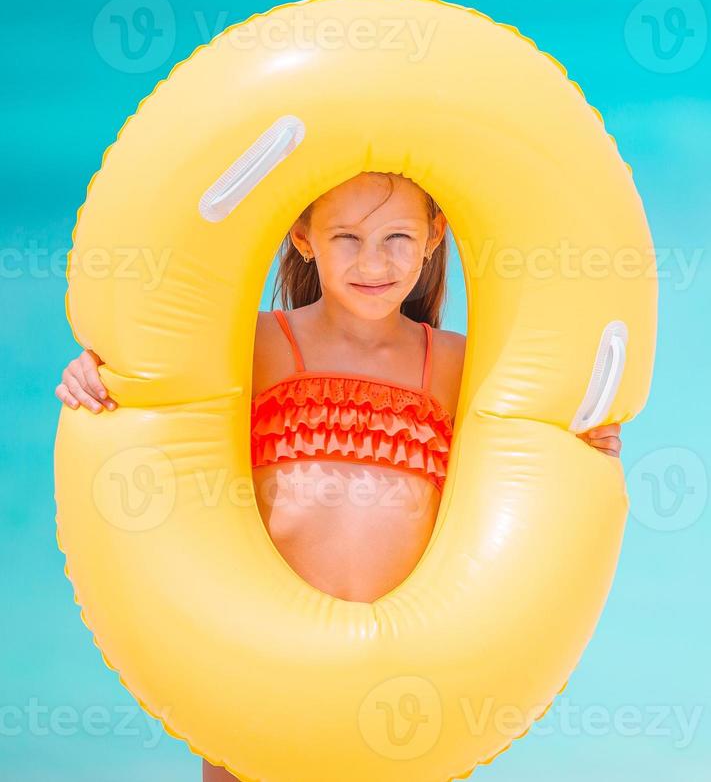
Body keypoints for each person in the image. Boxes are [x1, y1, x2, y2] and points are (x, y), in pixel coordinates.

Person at [54, 171, 622, 781]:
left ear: (435, 235)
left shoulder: (461, 367)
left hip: (399, 694)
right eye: (347, 236)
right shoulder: (252, 348)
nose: (373, 261)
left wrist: (584, 446)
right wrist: (93, 374)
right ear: (303, 235)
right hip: (261, 675)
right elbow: (156, 389)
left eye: (397, 236)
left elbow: (528, 466)